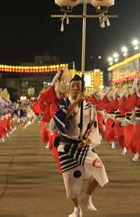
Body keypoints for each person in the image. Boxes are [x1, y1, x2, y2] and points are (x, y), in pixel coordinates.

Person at [54, 75, 108, 217]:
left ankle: (87, 196)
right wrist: (77, 102)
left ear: (83, 89)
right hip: (67, 146)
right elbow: (62, 118)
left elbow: (94, 127)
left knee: (100, 168)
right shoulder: (63, 103)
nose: (75, 88)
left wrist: (88, 141)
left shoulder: (90, 107)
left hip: (83, 146)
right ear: (69, 89)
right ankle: (77, 209)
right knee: (71, 182)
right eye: (73, 86)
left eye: (79, 86)